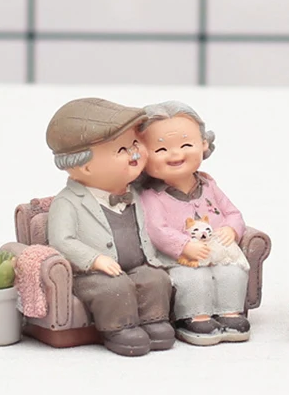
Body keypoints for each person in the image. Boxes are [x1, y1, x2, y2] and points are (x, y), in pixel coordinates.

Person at [45, 97, 174, 357]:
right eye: (122, 149)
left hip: (137, 265)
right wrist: (95, 259)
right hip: (92, 275)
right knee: (113, 288)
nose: (135, 153)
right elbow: (62, 240)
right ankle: (120, 329)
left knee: (156, 279)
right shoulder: (68, 202)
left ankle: (154, 321)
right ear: (85, 167)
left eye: (135, 144)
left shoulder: (137, 191)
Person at [138, 101, 250, 346]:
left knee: (232, 272)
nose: (176, 155)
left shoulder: (209, 185)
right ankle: (195, 317)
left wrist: (231, 229)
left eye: (186, 145)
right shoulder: (152, 195)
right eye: (161, 149)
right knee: (194, 279)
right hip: (181, 258)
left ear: (204, 144)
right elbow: (156, 230)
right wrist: (184, 246)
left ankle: (230, 313)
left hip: (217, 251)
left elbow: (233, 212)